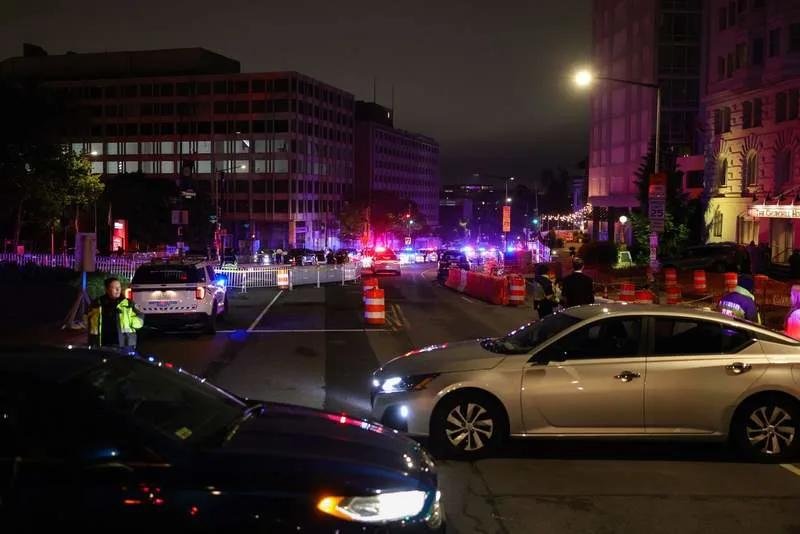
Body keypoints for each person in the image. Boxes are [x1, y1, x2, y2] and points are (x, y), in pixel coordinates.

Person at [87, 277, 144, 350]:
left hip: (125, 343)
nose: (118, 290)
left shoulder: (128, 304)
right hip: (101, 343)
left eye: (119, 287)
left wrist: (131, 322)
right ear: (107, 289)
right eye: (114, 288)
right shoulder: (97, 304)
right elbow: (87, 318)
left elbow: (140, 319)